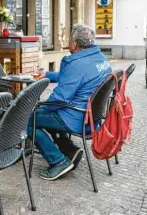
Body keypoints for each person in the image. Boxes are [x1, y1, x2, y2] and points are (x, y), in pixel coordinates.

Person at [27, 24, 112, 181]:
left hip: (75, 117)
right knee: (44, 115)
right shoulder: (99, 58)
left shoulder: (76, 63)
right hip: (92, 118)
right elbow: (76, 78)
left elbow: (60, 98)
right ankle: (69, 149)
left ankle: (58, 161)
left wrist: (40, 108)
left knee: (31, 120)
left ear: (74, 44)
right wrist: (47, 74)